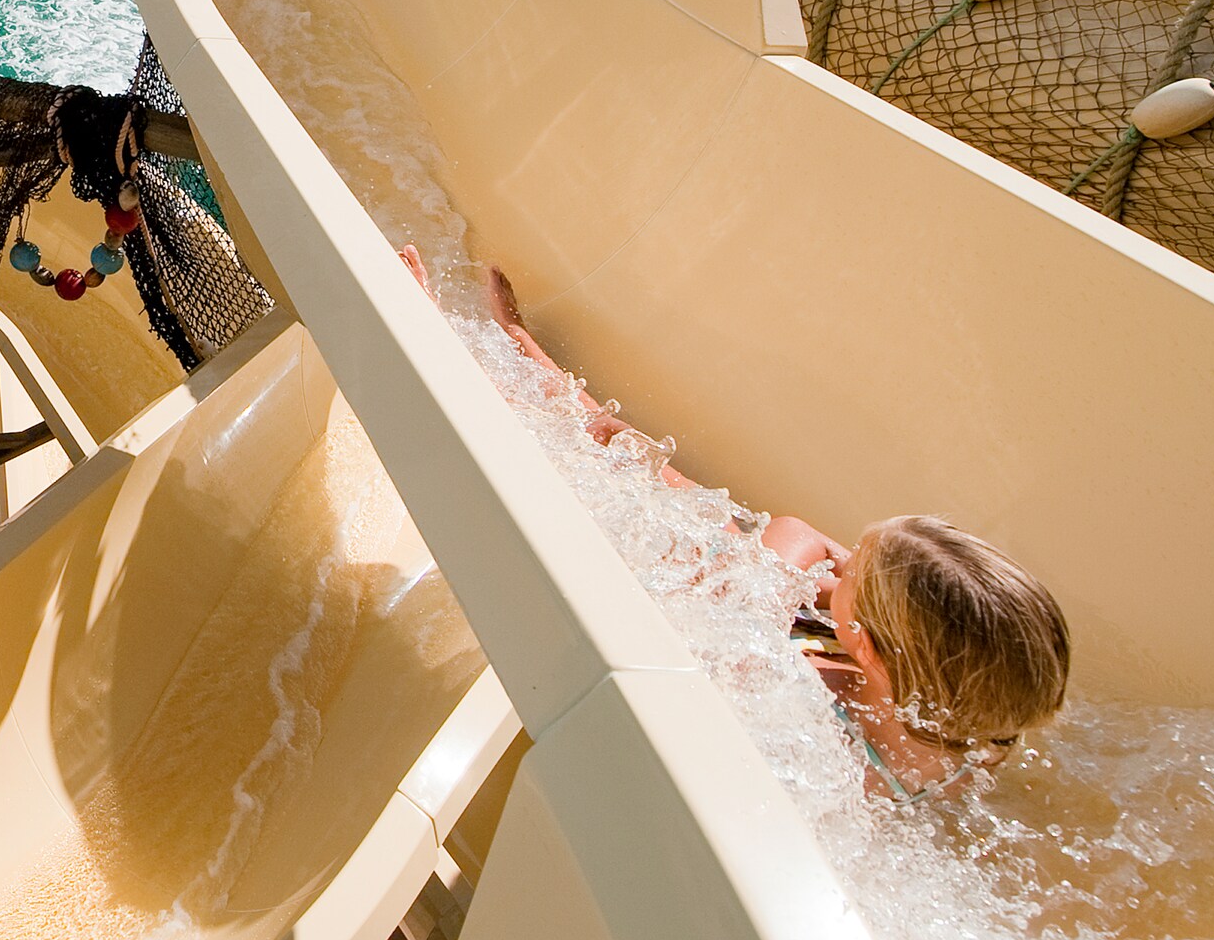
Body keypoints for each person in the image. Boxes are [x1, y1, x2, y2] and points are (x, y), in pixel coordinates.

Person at [415, 251, 1071, 801]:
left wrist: (805, 567)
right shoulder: (973, 732)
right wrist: (843, 596)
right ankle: (544, 378)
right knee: (676, 496)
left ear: (867, 643)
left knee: (642, 499)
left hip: (689, 650)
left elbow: (788, 539)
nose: (835, 562)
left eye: (851, 569)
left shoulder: (814, 718)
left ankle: (458, 361)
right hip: (768, 627)